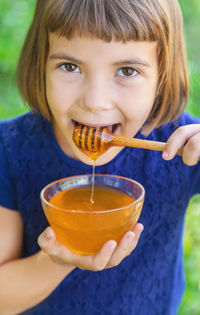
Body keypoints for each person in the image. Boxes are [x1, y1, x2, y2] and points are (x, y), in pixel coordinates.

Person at [0, 0, 199, 314]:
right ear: (41, 64)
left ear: (162, 75)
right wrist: (56, 259)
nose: (94, 102)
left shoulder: (180, 145)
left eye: (127, 70)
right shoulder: (10, 150)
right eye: (70, 66)